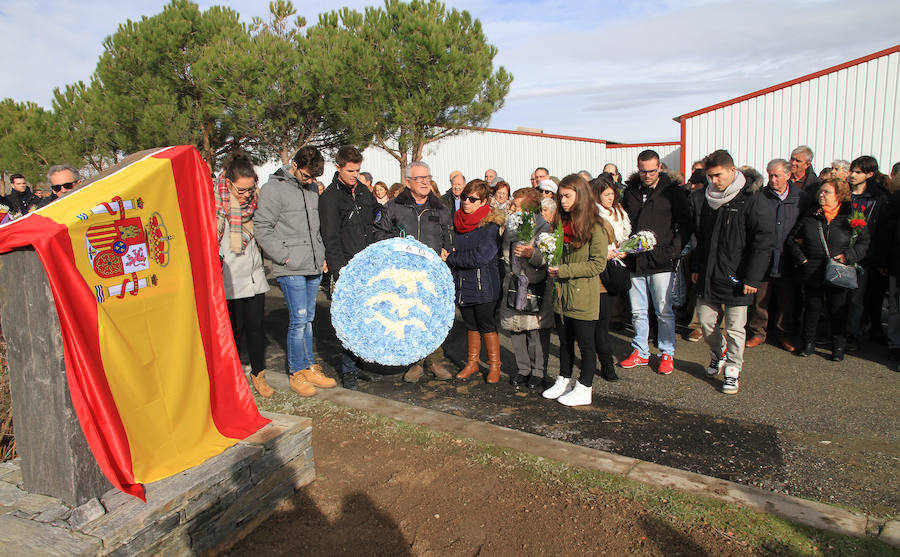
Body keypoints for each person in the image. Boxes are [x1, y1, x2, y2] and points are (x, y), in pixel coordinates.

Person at [690, 151, 774, 394]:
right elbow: (702, 238)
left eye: (718, 175)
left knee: (736, 327)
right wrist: (696, 267)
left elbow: (763, 240)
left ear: (732, 171)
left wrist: (753, 277)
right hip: (709, 273)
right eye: (710, 176)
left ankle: (733, 370)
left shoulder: (752, 199)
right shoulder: (706, 199)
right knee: (706, 323)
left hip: (738, 277)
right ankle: (719, 352)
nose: (714, 181)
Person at [253, 146, 335, 396]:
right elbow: (262, 226)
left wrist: (321, 256)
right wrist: (283, 257)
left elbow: (316, 227)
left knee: (308, 320)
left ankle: (309, 367)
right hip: (291, 266)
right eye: (307, 176)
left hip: (312, 263)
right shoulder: (273, 189)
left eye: (314, 178)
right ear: (296, 166)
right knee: (298, 320)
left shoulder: (310, 188)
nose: (311, 181)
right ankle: (296, 373)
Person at [375, 161, 454, 382]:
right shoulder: (393, 206)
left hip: (431, 274)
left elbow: (449, 235)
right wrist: (398, 247)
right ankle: (414, 363)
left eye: (427, 177)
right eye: (419, 178)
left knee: (431, 317)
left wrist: (447, 249)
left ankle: (435, 361)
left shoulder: (440, 208)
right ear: (408, 182)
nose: (425, 182)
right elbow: (379, 234)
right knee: (409, 317)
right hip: (403, 274)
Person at [619, 150, 692, 375]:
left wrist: (673, 251)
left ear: (659, 167)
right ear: (637, 168)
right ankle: (640, 351)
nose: (647, 175)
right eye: (643, 171)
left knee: (663, 310)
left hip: (661, 260)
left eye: (651, 170)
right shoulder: (630, 192)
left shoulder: (672, 192)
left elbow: (686, 224)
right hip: (636, 261)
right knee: (638, 311)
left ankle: (666, 352)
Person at [542, 174, 608, 406]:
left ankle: (584, 387)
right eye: (561, 197)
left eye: (568, 196)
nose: (563, 201)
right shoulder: (561, 224)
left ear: (580, 195)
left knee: (586, 344)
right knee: (565, 341)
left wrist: (564, 270)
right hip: (562, 294)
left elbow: (598, 263)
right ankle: (564, 378)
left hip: (583, 295)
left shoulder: (595, 226)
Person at [787, 177, 870, 361]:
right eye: (821, 191)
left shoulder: (852, 215)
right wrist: (802, 260)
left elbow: (864, 241)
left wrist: (849, 256)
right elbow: (792, 239)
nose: (822, 195)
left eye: (827, 192)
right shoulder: (812, 214)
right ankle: (808, 343)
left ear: (839, 195)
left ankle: (838, 347)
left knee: (838, 309)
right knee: (812, 308)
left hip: (839, 269)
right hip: (813, 267)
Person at [319, 145, 378, 388]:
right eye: (351, 170)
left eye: (358, 170)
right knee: (348, 321)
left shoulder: (363, 191)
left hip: (367, 265)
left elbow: (376, 219)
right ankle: (348, 370)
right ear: (338, 168)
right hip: (345, 267)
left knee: (365, 319)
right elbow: (330, 237)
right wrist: (338, 269)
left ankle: (360, 363)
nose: (355, 175)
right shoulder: (330, 198)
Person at [215, 154, 273, 397]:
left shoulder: (256, 202)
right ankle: (233, 376)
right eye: (242, 189)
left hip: (254, 274)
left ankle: (258, 374)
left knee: (256, 327)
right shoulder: (216, 205)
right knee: (233, 331)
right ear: (228, 183)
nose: (247, 194)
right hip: (229, 277)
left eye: (251, 189)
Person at [745, 159, 811, 352]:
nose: (772, 179)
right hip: (764, 258)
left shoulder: (801, 197)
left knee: (787, 300)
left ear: (788, 175)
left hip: (787, 258)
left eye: (777, 175)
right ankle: (758, 332)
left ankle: (785, 334)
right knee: (760, 300)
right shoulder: (760, 197)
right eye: (770, 175)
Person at [445, 179, 504, 383]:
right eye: (463, 197)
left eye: (472, 199)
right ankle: (472, 362)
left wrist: (451, 258)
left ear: (483, 201)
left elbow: (481, 256)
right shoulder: (457, 222)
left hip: (484, 284)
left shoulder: (490, 226)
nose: (466, 202)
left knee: (486, 324)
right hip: (463, 283)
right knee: (470, 324)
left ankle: (495, 365)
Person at [501, 188, 554, 389]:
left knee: (536, 331)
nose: (512, 208)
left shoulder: (544, 228)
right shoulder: (511, 226)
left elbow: (548, 257)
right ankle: (523, 369)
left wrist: (532, 254)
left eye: (516, 205)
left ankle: (538, 371)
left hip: (535, 284)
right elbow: (505, 251)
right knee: (516, 329)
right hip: (514, 283)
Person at [846, 155, 890, 349]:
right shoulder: (844, 193)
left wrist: (876, 257)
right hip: (842, 252)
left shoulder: (878, 198)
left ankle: (853, 334)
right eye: (852, 171)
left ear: (870, 174)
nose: (852, 175)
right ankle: (838, 332)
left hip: (864, 255)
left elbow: (881, 230)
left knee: (857, 298)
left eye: (858, 172)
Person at [590, 175, 627, 382]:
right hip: (596, 272)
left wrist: (625, 251)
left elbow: (624, 239)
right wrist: (604, 253)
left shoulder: (620, 213)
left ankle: (605, 364)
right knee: (597, 324)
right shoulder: (593, 215)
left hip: (612, 271)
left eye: (613, 193)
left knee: (604, 321)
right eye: (606, 194)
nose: (611, 198)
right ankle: (604, 363)